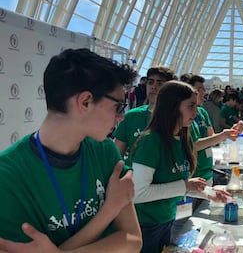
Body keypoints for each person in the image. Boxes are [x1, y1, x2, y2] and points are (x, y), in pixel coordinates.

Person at [0, 48, 142, 252]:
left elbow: (133, 240)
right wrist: (109, 210)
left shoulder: (106, 151)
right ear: (85, 102)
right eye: (119, 106)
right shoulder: (7, 176)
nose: (121, 117)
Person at [131, 81, 228, 253]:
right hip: (144, 225)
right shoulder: (150, 142)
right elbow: (139, 193)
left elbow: (175, 185)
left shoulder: (184, 140)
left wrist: (209, 194)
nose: (196, 112)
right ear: (172, 107)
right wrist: (185, 185)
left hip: (167, 220)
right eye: (191, 106)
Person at [113, 66, 177, 163]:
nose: (153, 87)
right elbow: (117, 155)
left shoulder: (178, 118)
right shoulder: (131, 116)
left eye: (160, 83)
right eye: (150, 82)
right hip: (133, 176)